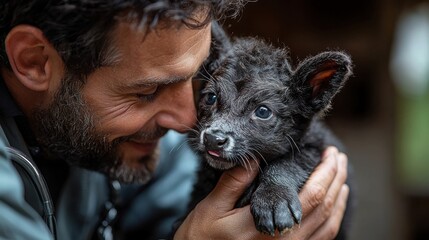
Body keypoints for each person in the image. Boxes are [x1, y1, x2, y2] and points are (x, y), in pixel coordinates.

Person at [0, 1, 350, 239]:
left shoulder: (151, 144)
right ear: (35, 61)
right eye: (148, 91)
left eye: (195, 82)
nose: (188, 121)